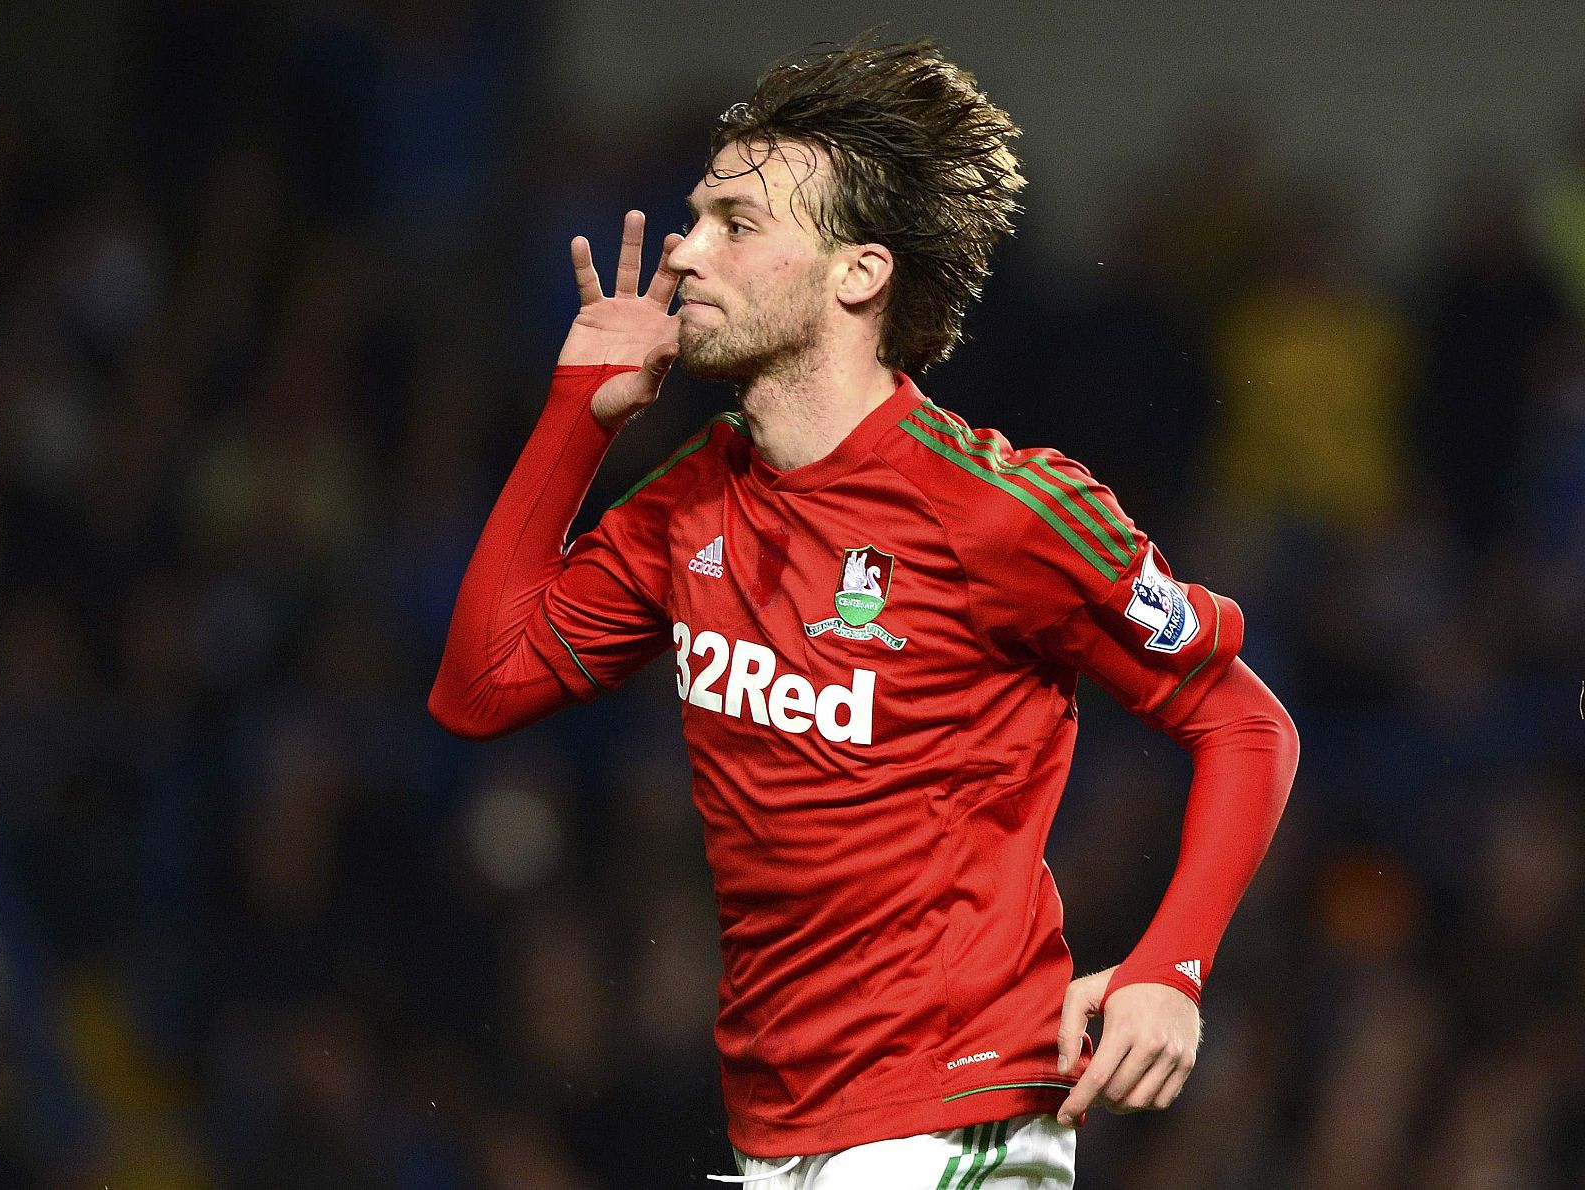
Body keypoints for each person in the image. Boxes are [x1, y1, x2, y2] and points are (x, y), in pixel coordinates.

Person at [430, 34, 1298, 1189]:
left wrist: (1170, 967)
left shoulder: (1004, 510)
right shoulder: (693, 496)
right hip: (776, 1131)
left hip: (964, 1116)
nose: (686, 250)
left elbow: (1242, 722)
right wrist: (576, 416)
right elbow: (480, 686)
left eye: (737, 224)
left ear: (857, 273)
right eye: (697, 215)